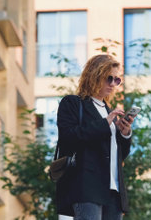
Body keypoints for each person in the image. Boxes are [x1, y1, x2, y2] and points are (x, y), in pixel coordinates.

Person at [56, 54, 135, 220]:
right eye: (109, 79)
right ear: (94, 76)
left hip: (113, 191)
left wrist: (124, 133)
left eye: (117, 80)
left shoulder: (108, 111)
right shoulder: (72, 103)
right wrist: (105, 123)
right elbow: (68, 137)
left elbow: (120, 155)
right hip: (87, 187)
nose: (113, 84)